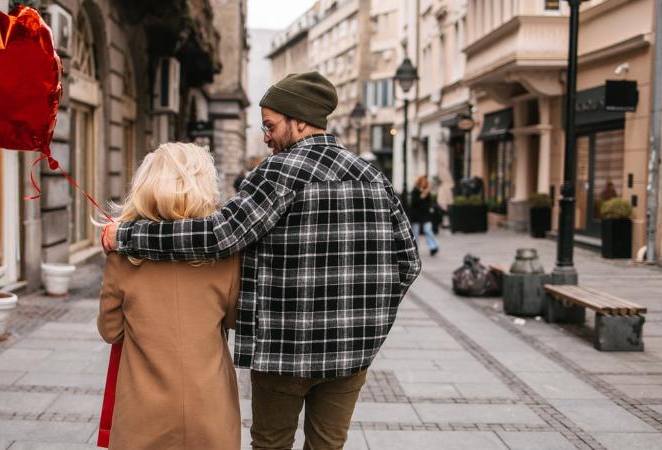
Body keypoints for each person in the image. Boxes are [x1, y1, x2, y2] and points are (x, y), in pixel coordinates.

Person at [102, 71, 421, 450]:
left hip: (284, 350)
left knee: (271, 444)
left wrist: (126, 235)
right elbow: (409, 262)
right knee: (329, 445)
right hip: (354, 349)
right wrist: (370, 319)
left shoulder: (279, 172)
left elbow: (219, 235)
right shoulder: (372, 176)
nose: (266, 136)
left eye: (270, 125)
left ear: (299, 120)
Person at [97, 142, 241, 450]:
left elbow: (111, 331)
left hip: (142, 411)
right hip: (210, 406)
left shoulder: (123, 254)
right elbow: (231, 318)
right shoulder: (226, 256)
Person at [410, 175, 440, 256]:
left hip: (426, 215)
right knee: (415, 233)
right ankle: (414, 249)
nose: (424, 184)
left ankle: (433, 246)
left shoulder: (427, 193)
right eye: (422, 182)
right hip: (416, 216)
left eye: (425, 183)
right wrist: (421, 197)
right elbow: (414, 203)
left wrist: (425, 196)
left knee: (428, 230)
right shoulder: (414, 191)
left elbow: (428, 204)